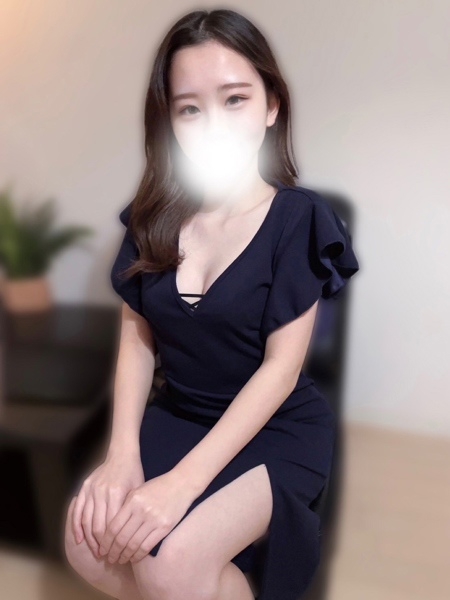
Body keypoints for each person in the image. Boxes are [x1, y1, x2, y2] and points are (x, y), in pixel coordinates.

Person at [64, 8, 360, 600]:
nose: (213, 126)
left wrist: (181, 484)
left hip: (274, 427)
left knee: (170, 565)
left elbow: (281, 371)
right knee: (86, 540)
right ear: (169, 121)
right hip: (179, 412)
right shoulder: (151, 218)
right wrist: (121, 455)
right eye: (189, 109)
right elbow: (137, 341)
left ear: (271, 106)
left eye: (235, 99)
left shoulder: (299, 219)